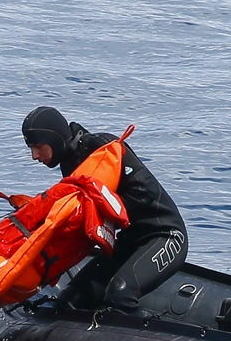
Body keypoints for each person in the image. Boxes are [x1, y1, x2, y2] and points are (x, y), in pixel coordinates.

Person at [20, 106, 187, 313]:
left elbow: (132, 197)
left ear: (53, 139)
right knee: (69, 301)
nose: (34, 156)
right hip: (128, 243)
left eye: (37, 146)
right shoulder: (71, 164)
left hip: (164, 235)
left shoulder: (102, 149)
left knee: (120, 294)